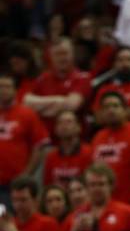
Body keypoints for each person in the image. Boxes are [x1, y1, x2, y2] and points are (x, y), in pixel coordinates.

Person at [23, 37, 91, 137]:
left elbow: (71, 106)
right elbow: (26, 103)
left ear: (73, 54)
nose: (62, 58)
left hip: (75, 139)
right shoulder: (42, 78)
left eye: (65, 53)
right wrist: (59, 101)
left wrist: (41, 109)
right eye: (57, 54)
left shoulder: (83, 77)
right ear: (51, 57)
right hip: (46, 138)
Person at [0, 72, 49, 209]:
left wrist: (27, 174)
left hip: (15, 185)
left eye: (7, 87)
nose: (3, 90)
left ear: (15, 90)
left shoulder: (27, 114)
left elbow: (39, 146)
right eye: (0, 87)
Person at [92, 46, 130, 124]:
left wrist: (110, 112)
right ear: (114, 64)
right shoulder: (105, 89)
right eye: (120, 60)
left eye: (129, 60)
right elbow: (98, 118)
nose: (125, 64)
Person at [43, 110, 92, 188]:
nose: (64, 125)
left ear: (79, 127)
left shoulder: (89, 153)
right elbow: (48, 187)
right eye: (60, 122)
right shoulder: (50, 157)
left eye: (69, 122)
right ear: (55, 129)